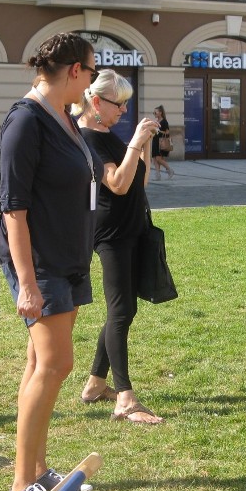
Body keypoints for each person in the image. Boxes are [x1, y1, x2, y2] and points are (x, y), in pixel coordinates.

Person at [0, 32, 104, 491]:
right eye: (92, 70)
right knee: (56, 364)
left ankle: (37, 470)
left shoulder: (65, 117)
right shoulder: (25, 121)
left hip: (68, 257)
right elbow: (12, 210)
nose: (93, 80)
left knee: (40, 365)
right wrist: (27, 284)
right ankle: (23, 484)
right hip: (40, 264)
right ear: (75, 71)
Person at [74, 70, 164, 425]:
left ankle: (96, 384)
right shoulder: (88, 138)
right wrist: (134, 142)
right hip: (111, 233)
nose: (124, 110)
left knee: (124, 310)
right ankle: (124, 398)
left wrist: (145, 143)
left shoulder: (107, 134)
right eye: (119, 103)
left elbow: (140, 179)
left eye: (127, 103)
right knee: (121, 310)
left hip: (131, 228)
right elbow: (118, 183)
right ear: (96, 102)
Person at [150, 105, 174, 180]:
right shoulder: (156, 121)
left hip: (161, 142)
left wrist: (158, 131)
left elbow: (167, 133)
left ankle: (170, 170)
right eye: (153, 112)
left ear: (160, 113)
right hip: (155, 141)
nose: (154, 113)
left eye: (155, 112)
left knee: (159, 159)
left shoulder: (164, 121)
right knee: (154, 159)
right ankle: (158, 175)